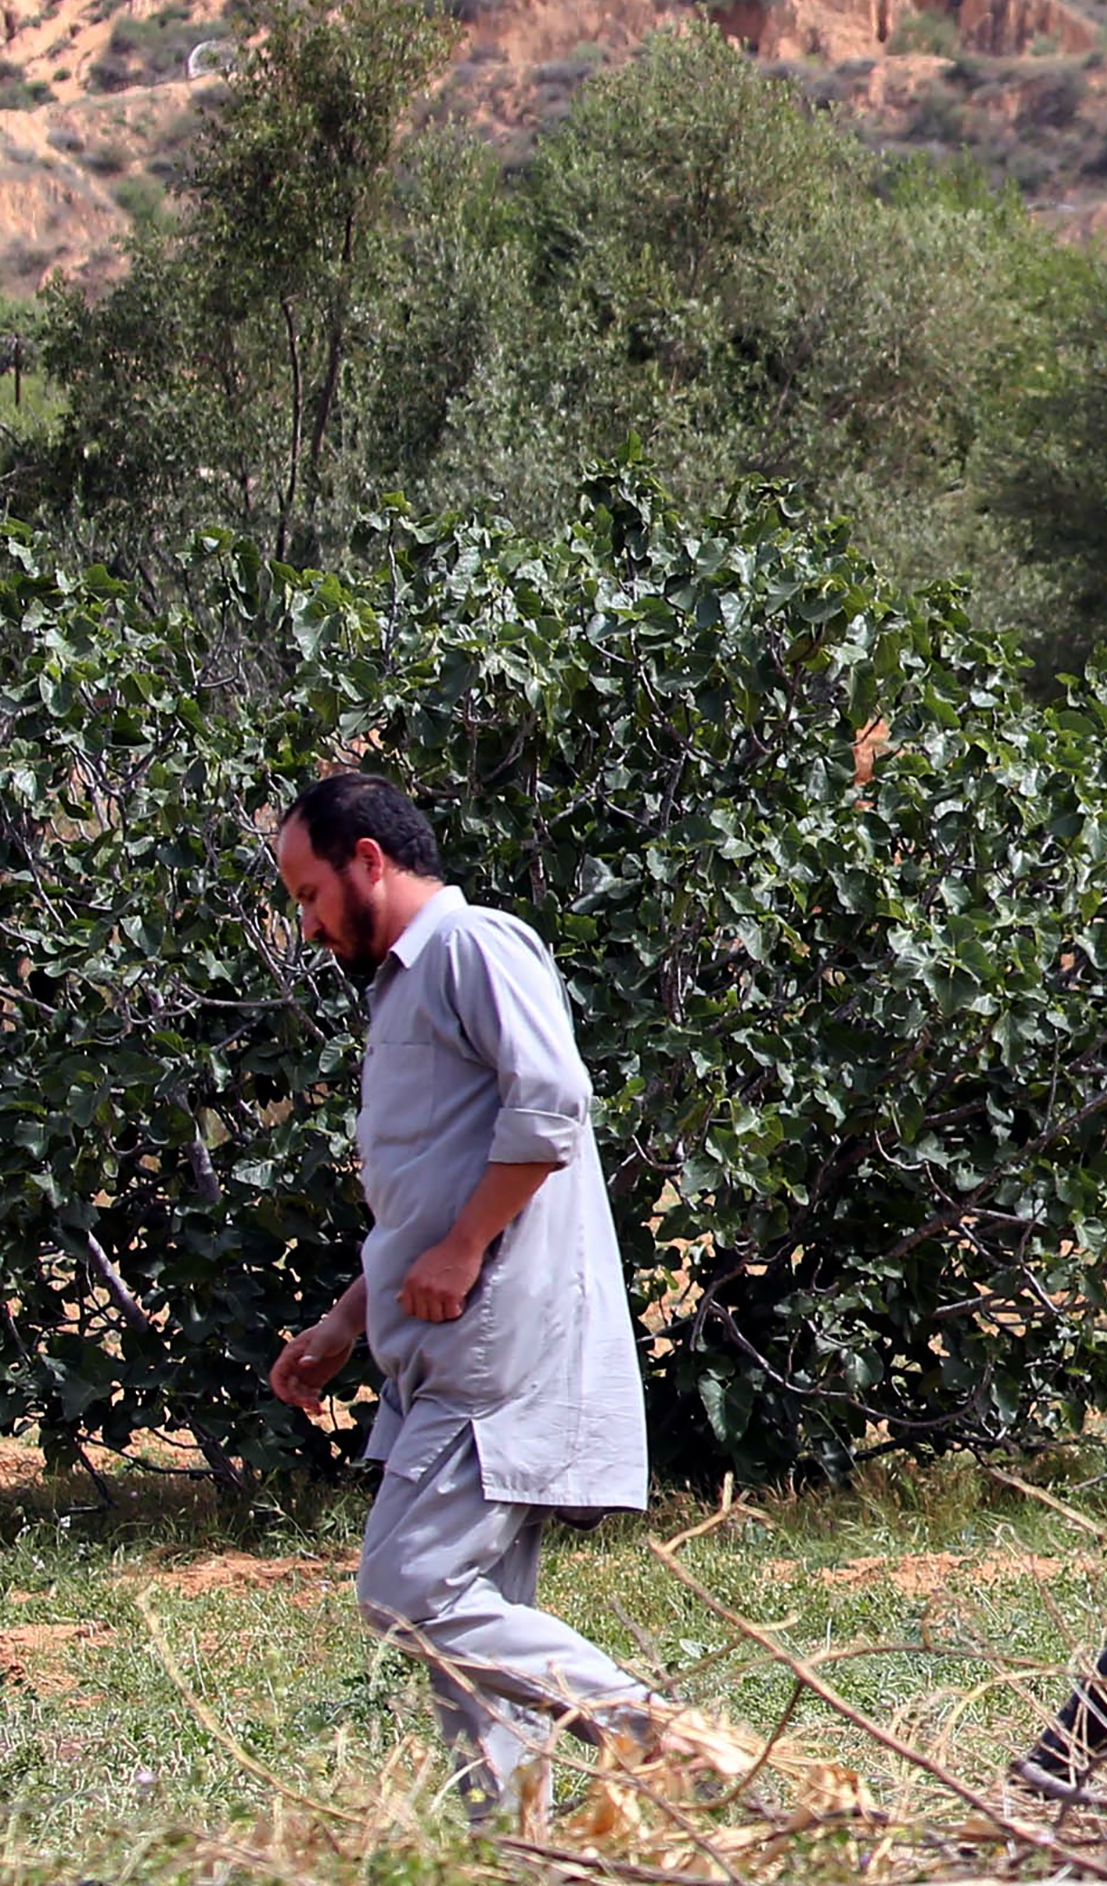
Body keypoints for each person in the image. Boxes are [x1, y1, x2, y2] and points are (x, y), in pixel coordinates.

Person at [266, 771, 748, 1819]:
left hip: (495, 1344)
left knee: (409, 1590)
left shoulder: (472, 944)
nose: (305, 925)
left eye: (308, 896)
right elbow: (432, 1196)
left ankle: (665, 1736)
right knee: (472, 1641)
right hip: (439, 1342)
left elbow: (553, 1103)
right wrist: (349, 1319)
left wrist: (465, 1248)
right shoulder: (404, 981)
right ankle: (514, 1850)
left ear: (368, 862)